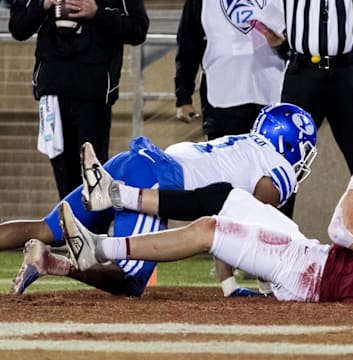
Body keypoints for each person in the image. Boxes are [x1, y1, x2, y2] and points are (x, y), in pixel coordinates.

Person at [8, 103, 317, 296]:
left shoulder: (244, 145)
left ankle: (102, 201)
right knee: (128, 281)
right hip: (155, 180)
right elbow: (249, 226)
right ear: (290, 144)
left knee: (46, 228)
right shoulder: (277, 168)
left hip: (134, 160)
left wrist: (229, 285)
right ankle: (53, 262)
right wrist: (255, 283)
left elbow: (231, 223)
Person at [61, 170, 353, 303]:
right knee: (231, 198)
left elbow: (343, 230)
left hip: (309, 273)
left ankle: (99, 249)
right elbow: (342, 228)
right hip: (312, 257)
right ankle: (115, 194)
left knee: (207, 230)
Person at [8, 0, 149, 199]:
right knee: (64, 179)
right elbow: (18, 27)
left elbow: (138, 29)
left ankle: (94, 227)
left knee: (93, 179)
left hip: (94, 91)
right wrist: (44, 5)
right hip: (53, 91)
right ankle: (71, 227)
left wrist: (97, 13)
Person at [260, 1, 353, 218]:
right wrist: (282, 43)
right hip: (302, 73)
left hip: (349, 72)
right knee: (284, 163)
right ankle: (276, 242)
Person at [174, 0, 286, 139]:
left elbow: (300, 45)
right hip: (222, 101)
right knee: (224, 159)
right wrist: (183, 98)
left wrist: (282, 46)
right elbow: (188, 46)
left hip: (271, 96)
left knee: (271, 159)